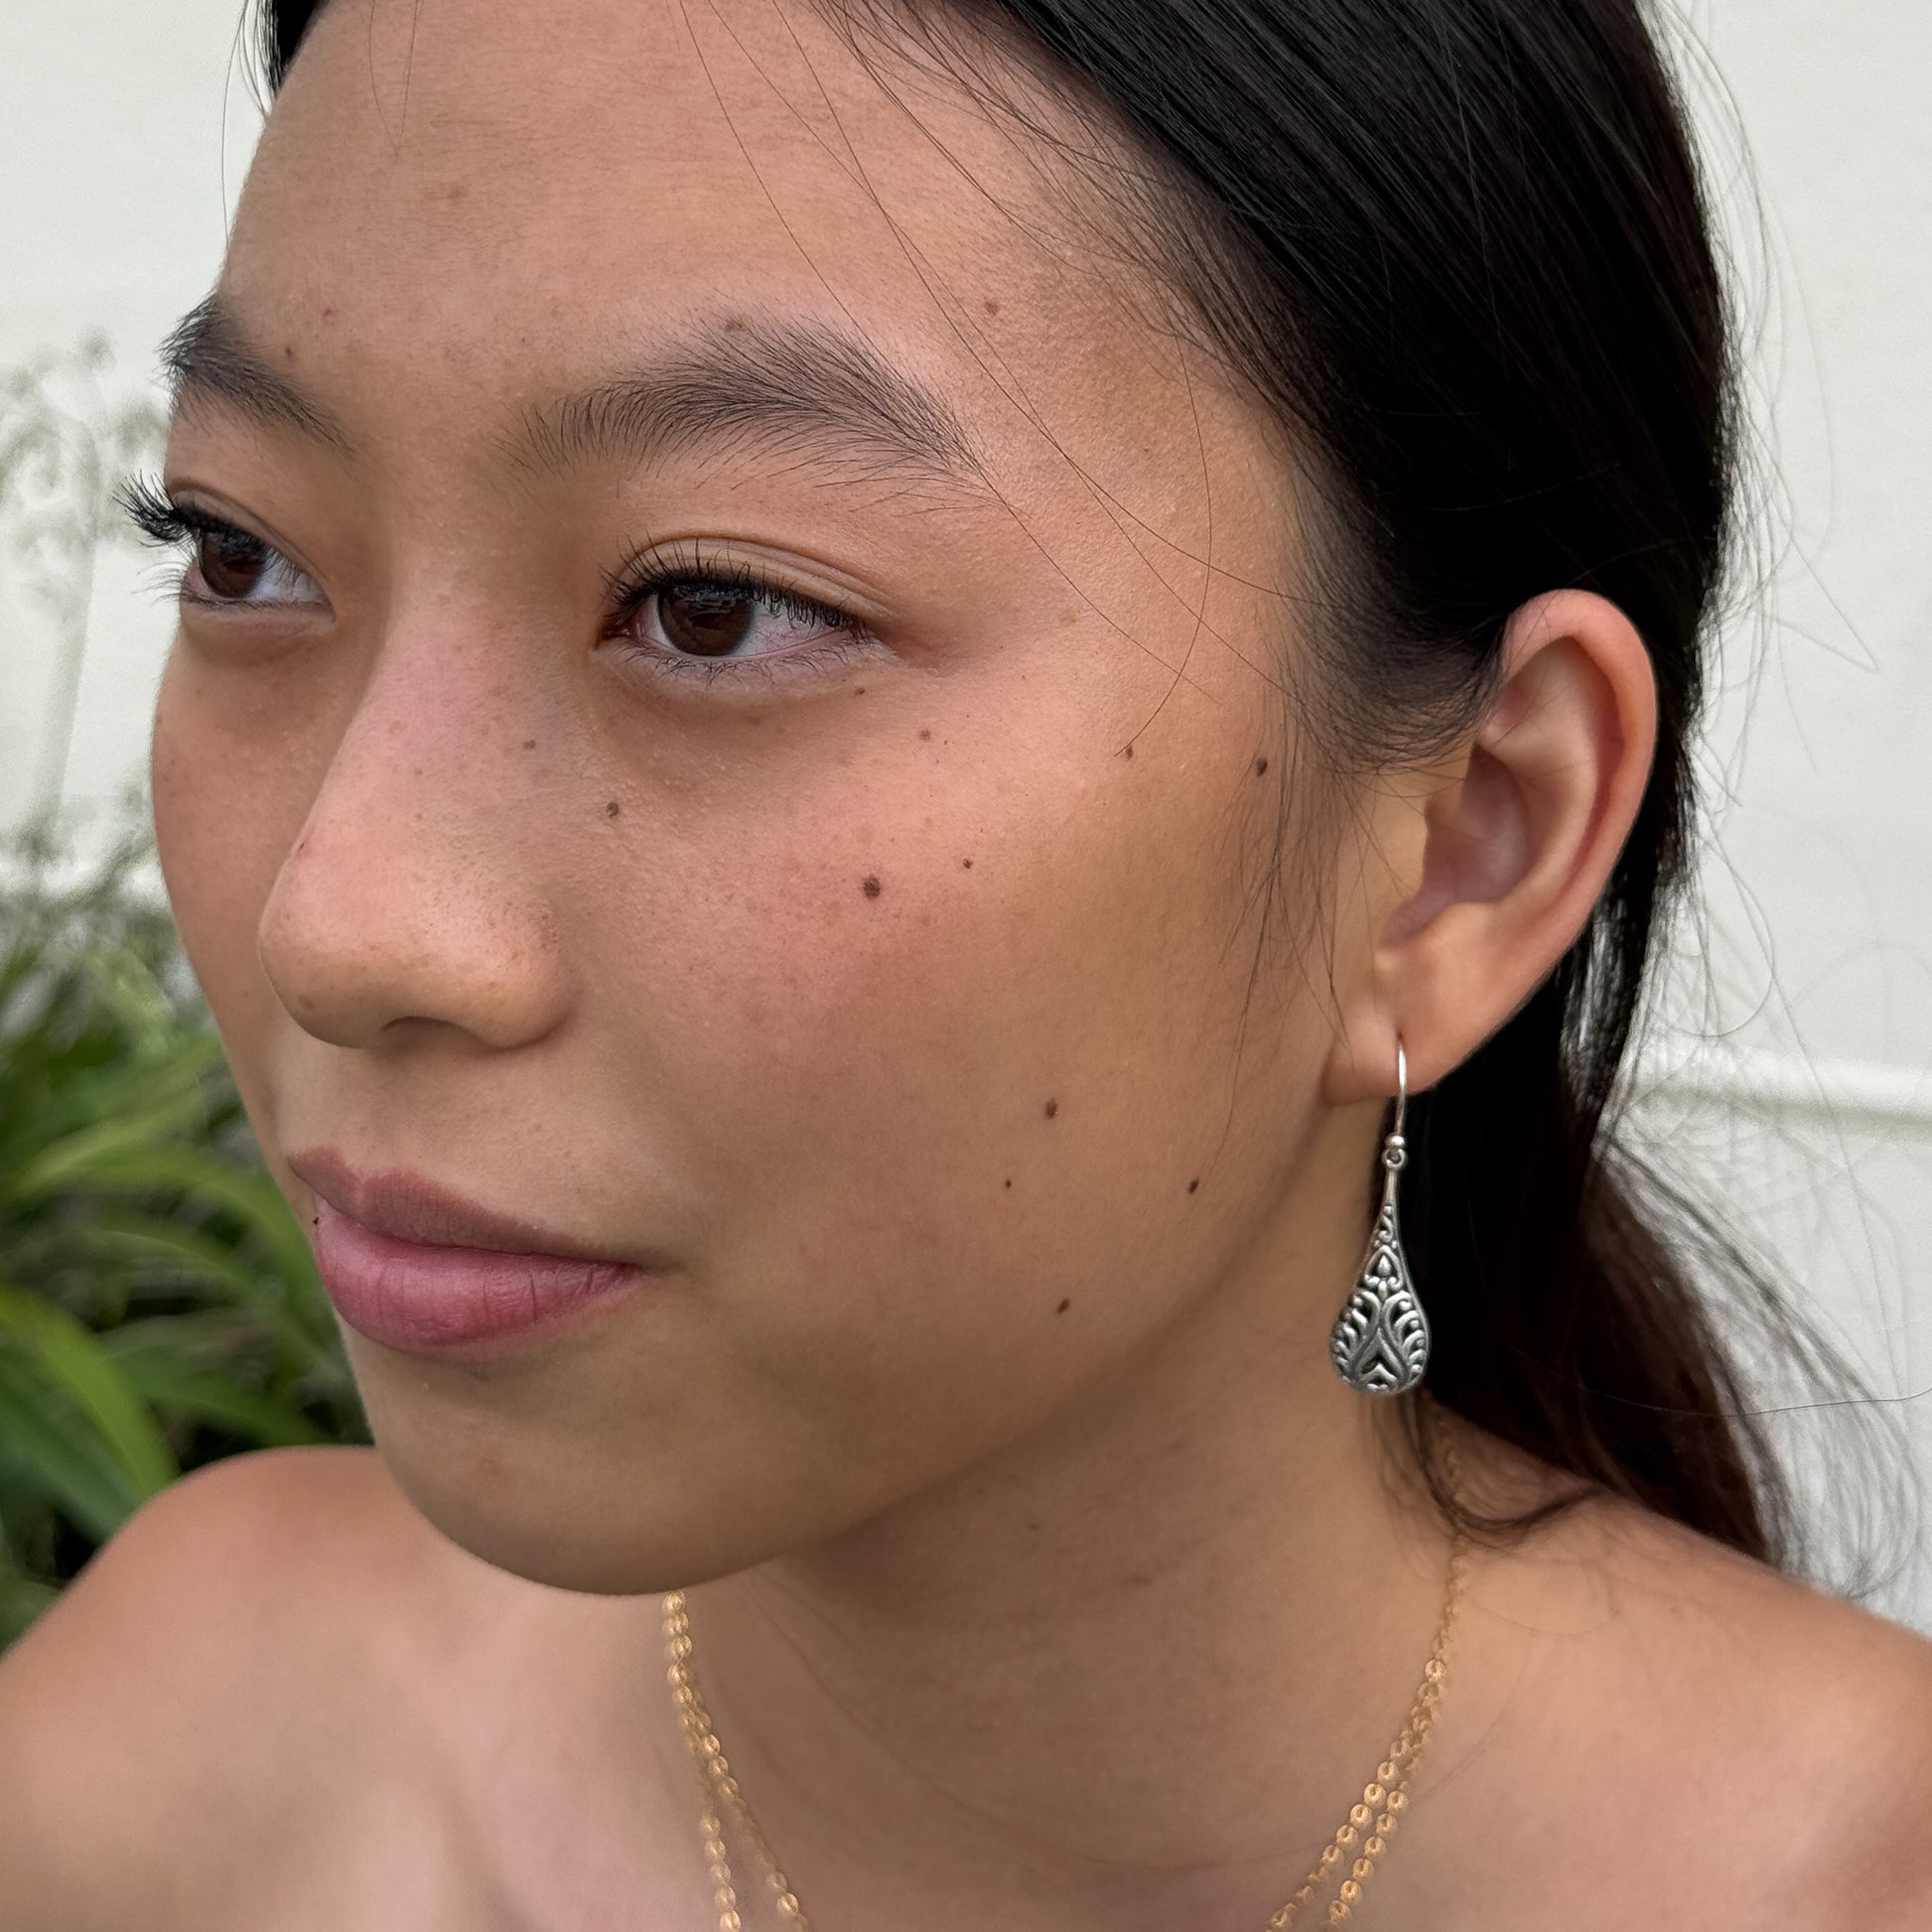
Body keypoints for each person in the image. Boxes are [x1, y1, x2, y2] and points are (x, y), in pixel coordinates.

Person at [3, 0, 1930, 1924]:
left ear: (1461, 846)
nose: (336, 922)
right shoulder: (176, 1775)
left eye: (712, 607)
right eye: (241, 551)